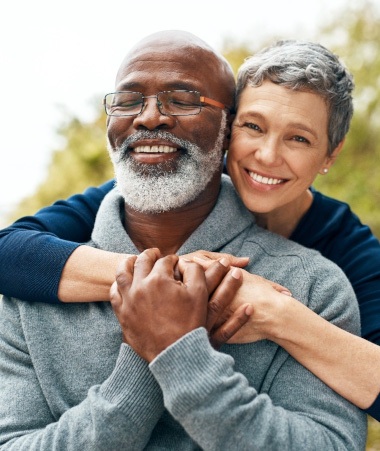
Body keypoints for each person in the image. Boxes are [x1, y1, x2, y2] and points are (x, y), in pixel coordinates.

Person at [0, 30, 366, 449]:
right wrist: (157, 338)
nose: (149, 117)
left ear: (228, 127)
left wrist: (186, 362)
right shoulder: (31, 287)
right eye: (129, 99)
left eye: (182, 99)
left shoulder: (314, 285)